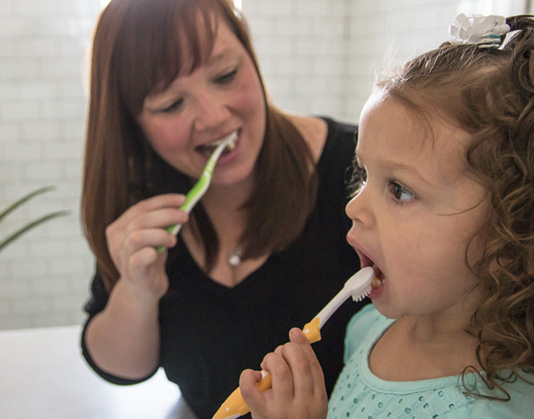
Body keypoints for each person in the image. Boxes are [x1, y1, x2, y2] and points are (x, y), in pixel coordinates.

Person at [238, 13, 534, 419]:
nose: (353, 206)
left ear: (511, 238)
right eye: (364, 174)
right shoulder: (369, 329)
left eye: (399, 190)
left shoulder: (494, 412)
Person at [79, 0, 363, 417]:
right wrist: (137, 290)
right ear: (131, 123)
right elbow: (122, 369)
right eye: (172, 104)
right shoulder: (141, 206)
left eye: (226, 75)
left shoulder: (358, 172)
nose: (213, 117)